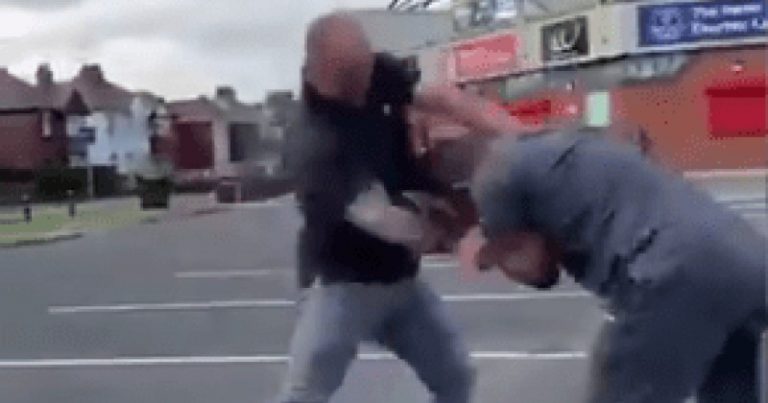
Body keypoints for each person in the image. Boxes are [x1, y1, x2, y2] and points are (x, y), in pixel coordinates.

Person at [458, 127, 767, 402]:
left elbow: (536, 268)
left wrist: (492, 254)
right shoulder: (566, 141)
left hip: (673, 271)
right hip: (746, 254)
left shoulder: (493, 178)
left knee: (620, 384)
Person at [276, 13, 477, 403]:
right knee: (305, 394)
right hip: (342, 285)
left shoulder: (377, 71)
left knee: (456, 379)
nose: (362, 88)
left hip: (401, 282)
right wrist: (457, 227)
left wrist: (498, 136)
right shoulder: (314, 145)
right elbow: (392, 223)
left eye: (363, 71)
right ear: (317, 73)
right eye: (348, 79)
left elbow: (436, 98)